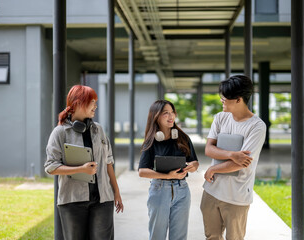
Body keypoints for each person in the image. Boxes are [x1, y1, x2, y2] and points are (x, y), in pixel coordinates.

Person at [44, 85, 123, 240]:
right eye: (92, 102)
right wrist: (81, 169)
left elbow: (108, 162)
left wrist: (116, 192)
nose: (96, 106)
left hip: (103, 200)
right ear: (79, 103)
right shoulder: (60, 132)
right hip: (72, 201)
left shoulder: (98, 129)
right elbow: (51, 167)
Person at [200, 75, 266, 240]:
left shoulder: (257, 126)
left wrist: (214, 168)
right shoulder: (220, 118)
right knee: (211, 237)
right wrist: (231, 154)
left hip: (237, 196)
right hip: (211, 191)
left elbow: (242, 163)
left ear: (238, 99)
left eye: (225, 97)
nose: (221, 99)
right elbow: (209, 149)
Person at [138, 100, 199, 240]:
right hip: (160, 190)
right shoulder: (151, 141)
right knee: (157, 236)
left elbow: (194, 161)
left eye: (172, 112)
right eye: (166, 113)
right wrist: (167, 176)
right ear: (156, 116)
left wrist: (193, 166)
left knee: (179, 237)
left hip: (182, 190)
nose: (171, 116)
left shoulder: (183, 137)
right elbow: (142, 171)